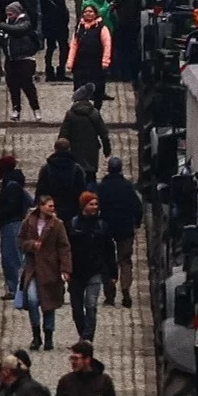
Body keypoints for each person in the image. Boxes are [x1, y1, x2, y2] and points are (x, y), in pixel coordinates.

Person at [20, 195, 72, 351]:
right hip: (33, 270)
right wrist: (31, 245)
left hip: (51, 270)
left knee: (49, 304)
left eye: (52, 206)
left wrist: (65, 269)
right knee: (32, 300)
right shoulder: (28, 222)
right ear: (40, 206)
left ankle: (48, 335)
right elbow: (20, 241)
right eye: (49, 206)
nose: (52, 208)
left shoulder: (57, 225)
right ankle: (36, 334)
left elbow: (64, 247)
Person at [66, 200, 115, 344]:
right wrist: (65, 268)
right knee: (77, 309)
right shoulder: (72, 224)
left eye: (96, 204)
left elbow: (109, 250)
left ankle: (87, 337)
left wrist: (113, 273)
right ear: (83, 206)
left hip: (95, 271)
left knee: (91, 304)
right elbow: (65, 249)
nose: (94, 207)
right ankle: (82, 333)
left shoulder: (102, 225)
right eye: (91, 204)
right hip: (75, 272)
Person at [96, 157, 140, 307]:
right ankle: (126, 289)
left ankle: (109, 295)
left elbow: (96, 207)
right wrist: (137, 222)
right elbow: (137, 206)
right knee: (125, 260)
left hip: (107, 228)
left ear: (108, 169)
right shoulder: (127, 187)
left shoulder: (102, 187)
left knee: (107, 261)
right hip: (125, 228)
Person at [0, 156, 31, 301]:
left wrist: (0, 216)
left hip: (10, 223)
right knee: (15, 257)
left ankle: (16, 289)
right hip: (13, 222)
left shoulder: (11, 185)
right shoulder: (15, 182)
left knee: (11, 258)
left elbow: (11, 205)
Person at [1, 2, 42, 118]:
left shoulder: (25, 24)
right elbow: (3, 41)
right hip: (11, 60)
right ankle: (16, 109)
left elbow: (17, 30)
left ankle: (36, 108)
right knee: (13, 87)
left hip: (25, 59)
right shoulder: (8, 25)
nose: (8, 16)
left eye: (11, 14)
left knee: (27, 86)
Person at [66, 5, 112, 103]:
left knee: (97, 90)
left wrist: (105, 61)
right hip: (80, 64)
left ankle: (96, 111)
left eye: (91, 11)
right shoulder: (80, 27)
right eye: (86, 11)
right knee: (79, 88)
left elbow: (107, 45)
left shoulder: (102, 28)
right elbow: (74, 45)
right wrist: (70, 62)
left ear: (95, 14)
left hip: (96, 64)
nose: (88, 13)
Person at [60, 89, 110, 173]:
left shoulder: (70, 114)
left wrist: (62, 151)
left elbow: (64, 134)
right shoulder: (94, 113)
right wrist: (106, 147)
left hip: (75, 149)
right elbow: (103, 132)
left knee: (76, 173)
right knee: (90, 173)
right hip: (92, 148)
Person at [38, 0, 71, 80]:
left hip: (47, 21)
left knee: (50, 46)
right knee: (63, 47)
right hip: (59, 22)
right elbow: (61, 6)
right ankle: (60, 71)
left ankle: (49, 71)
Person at [36, 142, 88, 216]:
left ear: (55, 149)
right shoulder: (77, 168)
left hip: (51, 209)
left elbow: (40, 189)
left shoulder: (46, 168)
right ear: (69, 149)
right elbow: (82, 190)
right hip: (72, 209)